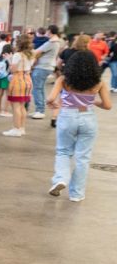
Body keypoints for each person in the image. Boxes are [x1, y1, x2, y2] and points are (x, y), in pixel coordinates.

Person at [47, 50, 112, 202]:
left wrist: (52, 103)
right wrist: (93, 101)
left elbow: (50, 98)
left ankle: (61, 179)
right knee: (83, 157)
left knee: (63, 151)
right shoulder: (99, 83)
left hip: (67, 117)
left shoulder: (63, 80)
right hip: (88, 118)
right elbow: (108, 105)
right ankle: (76, 194)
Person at [4, 35, 35, 136]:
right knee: (22, 106)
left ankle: (16, 129)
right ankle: (21, 128)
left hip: (18, 80)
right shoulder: (31, 54)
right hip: (27, 79)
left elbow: (13, 70)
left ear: (19, 43)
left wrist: (9, 60)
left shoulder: (17, 55)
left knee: (16, 106)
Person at [30, 25, 62, 118]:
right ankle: (40, 109)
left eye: (47, 31)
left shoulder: (51, 42)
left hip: (42, 67)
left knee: (37, 89)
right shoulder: (55, 42)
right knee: (40, 89)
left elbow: (36, 52)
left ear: (50, 31)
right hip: (47, 67)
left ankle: (40, 110)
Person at [0, 44, 14, 117]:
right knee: (8, 94)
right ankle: (5, 111)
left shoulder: (0, 57)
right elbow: (11, 67)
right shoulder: (9, 56)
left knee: (0, 94)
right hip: (7, 77)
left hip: (0, 77)